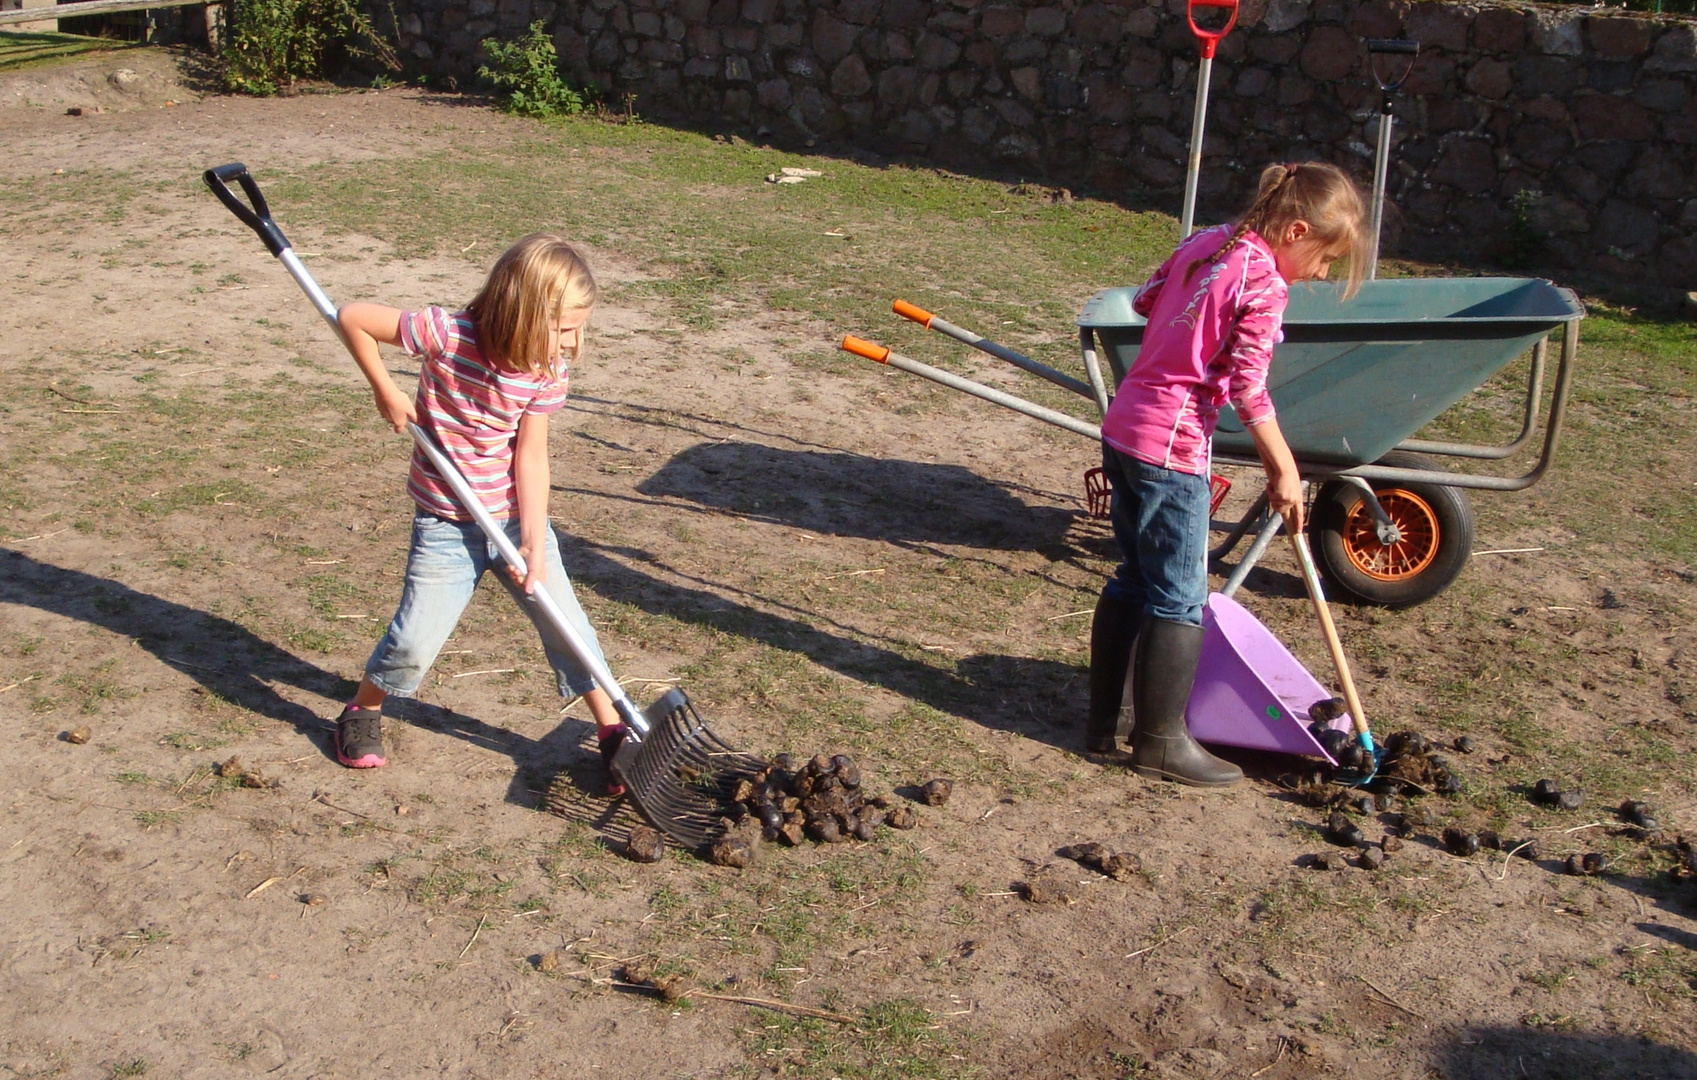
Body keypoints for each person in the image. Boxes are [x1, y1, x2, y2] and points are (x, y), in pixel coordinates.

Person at [1086, 162, 1368, 787]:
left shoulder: (1210, 240)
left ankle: (1101, 721)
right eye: (1324, 260)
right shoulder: (1265, 281)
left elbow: (1145, 299)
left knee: (1134, 578)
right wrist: (1285, 468)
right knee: (1180, 596)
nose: (1320, 274)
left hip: (1125, 427)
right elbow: (1249, 387)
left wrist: (1197, 319)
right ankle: (1159, 742)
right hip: (1173, 449)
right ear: (1296, 230)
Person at [331, 234, 628, 792]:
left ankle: (613, 731)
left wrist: (536, 543)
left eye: (577, 329)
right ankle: (362, 710)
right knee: (415, 638)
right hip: (446, 522)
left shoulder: (546, 369)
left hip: (515, 520)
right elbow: (352, 317)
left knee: (570, 629)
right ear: (521, 310)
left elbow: (531, 454)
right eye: (563, 327)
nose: (571, 342)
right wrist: (386, 391)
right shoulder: (447, 333)